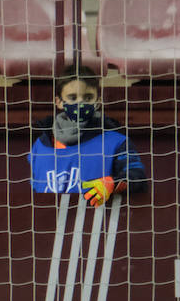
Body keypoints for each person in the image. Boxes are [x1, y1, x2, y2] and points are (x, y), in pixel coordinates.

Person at [28, 64, 147, 202]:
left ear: (98, 101)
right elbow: (34, 191)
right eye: (72, 97)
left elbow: (138, 177)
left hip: (99, 221)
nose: (80, 103)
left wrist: (113, 183)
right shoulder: (41, 145)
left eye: (88, 97)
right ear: (58, 102)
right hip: (50, 221)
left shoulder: (116, 142)